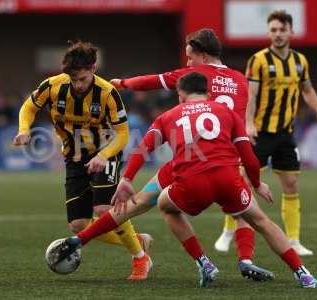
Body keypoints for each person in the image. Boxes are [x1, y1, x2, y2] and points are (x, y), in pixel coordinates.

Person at [55, 73, 317, 288]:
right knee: (261, 220)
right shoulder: (226, 113)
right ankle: (303, 273)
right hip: (227, 176)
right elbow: (248, 156)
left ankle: (203, 262)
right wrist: (257, 182)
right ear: (207, 92)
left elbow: (141, 151)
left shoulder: (169, 116)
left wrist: (125, 179)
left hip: (191, 178)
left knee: (158, 204)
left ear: (180, 94)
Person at [109, 28, 273, 280]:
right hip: (229, 159)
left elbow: (151, 82)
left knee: (145, 201)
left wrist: (122, 83)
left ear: (203, 56)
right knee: (245, 212)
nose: (187, 62)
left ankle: (86, 237)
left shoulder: (192, 75)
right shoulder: (240, 79)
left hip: (190, 160)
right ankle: (246, 260)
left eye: (190, 57)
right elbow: (244, 113)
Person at [13, 41, 152, 280]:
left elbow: (123, 135)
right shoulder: (53, 86)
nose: (77, 84)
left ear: (94, 68)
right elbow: (29, 106)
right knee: (78, 225)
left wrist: (103, 156)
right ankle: (134, 239)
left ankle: (140, 258)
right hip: (74, 158)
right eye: (73, 79)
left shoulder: (108, 93)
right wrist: (24, 129)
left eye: (83, 79)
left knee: (104, 209)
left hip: (105, 151)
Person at [216, 10, 317, 256]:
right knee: (240, 181)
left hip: (286, 132)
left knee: (291, 183)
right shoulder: (259, 60)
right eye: (273, 30)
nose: (277, 34)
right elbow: (250, 95)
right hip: (260, 133)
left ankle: (294, 240)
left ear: (291, 32)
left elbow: (307, 89)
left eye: (282, 29)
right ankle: (229, 229)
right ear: (269, 32)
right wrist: (249, 124)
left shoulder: (300, 61)